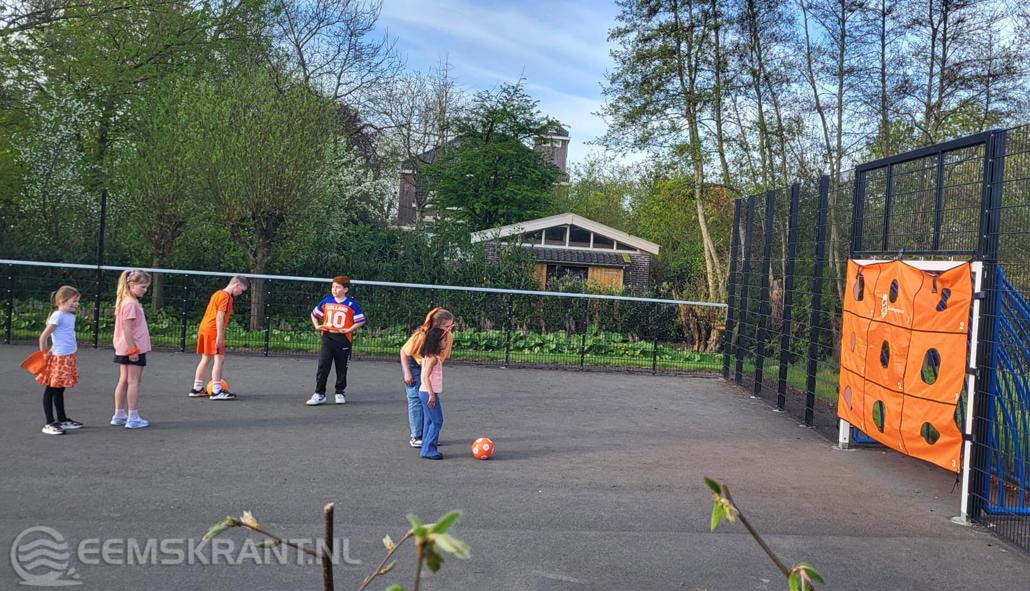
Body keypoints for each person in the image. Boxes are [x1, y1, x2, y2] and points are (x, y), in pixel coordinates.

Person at [306, 275, 365, 406]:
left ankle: (340, 392)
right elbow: (314, 314)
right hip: (328, 337)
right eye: (333, 287)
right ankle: (319, 394)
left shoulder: (350, 304)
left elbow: (361, 320)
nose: (334, 290)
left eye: (338, 287)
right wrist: (316, 325)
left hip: (343, 339)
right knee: (323, 366)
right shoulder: (327, 301)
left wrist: (349, 329)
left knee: (341, 367)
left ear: (345, 289)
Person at [400, 307, 454, 448]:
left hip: (429, 364)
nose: (449, 329)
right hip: (415, 365)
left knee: (430, 401)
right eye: (447, 326)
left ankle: (429, 436)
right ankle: (417, 436)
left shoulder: (448, 337)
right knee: (416, 398)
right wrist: (407, 372)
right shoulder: (420, 336)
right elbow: (404, 352)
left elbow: (440, 358)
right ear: (437, 325)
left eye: (451, 326)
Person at [189, 276, 248, 400]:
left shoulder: (217, 293)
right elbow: (220, 316)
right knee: (219, 359)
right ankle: (216, 391)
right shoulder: (226, 297)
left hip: (204, 327)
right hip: (213, 330)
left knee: (205, 359)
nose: (240, 293)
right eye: (241, 290)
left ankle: (197, 388)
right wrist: (220, 336)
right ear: (236, 285)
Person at [35, 285, 83, 435]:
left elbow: (62, 337)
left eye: (77, 301)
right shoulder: (58, 315)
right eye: (73, 301)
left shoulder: (69, 316)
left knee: (60, 388)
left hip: (68, 356)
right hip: (59, 358)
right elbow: (44, 336)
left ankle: (62, 419)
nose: (76, 304)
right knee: (51, 389)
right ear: (62, 300)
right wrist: (44, 354)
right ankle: (49, 422)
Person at [112, 269, 152, 429]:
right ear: (131, 284)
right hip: (133, 347)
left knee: (125, 380)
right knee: (133, 381)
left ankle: (119, 414)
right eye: (143, 287)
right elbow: (127, 329)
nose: (145, 290)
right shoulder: (130, 303)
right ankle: (133, 417)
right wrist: (133, 350)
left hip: (126, 347)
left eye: (147, 287)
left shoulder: (127, 302)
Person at [418, 309, 454, 460]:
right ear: (437, 342)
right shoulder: (432, 358)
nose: (447, 342)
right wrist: (432, 394)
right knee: (438, 421)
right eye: (444, 339)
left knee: (430, 420)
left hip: (426, 392)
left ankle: (426, 447)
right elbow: (425, 376)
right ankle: (428, 449)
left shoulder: (431, 356)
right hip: (428, 393)